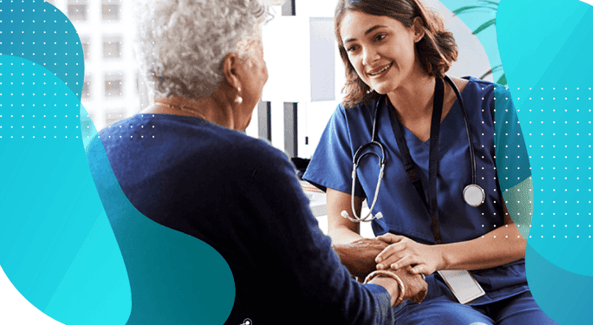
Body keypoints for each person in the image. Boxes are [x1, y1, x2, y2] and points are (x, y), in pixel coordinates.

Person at [85, 0, 427, 324]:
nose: (265, 73)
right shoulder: (247, 164)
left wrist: (338, 257)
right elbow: (346, 316)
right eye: (261, 57)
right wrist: (393, 281)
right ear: (234, 70)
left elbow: (195, 259)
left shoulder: (101, 149)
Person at [303, 0, 558, 324]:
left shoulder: (497, 108)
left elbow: (524, 230)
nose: (367, 58)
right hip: (421, 292)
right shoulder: (351, 121)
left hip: (517, 288)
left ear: (417, 29)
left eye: (379, 37)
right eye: (353, 48)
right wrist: (387, 255)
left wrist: (435, 255)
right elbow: (339, 231)